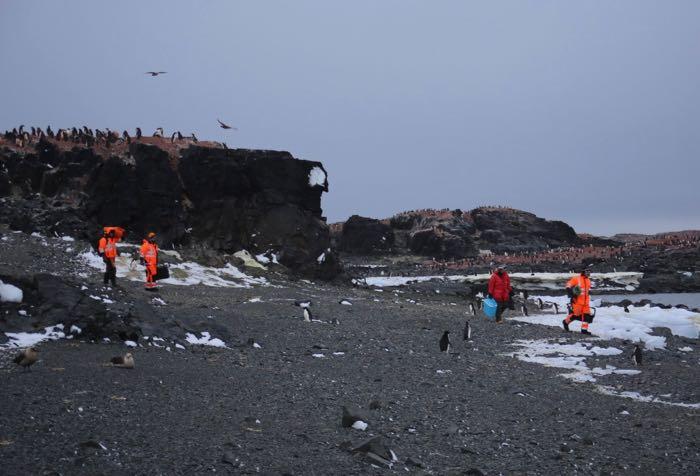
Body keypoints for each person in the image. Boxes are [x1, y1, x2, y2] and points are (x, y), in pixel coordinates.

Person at [562, 267, 593, 334]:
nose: (588, 273)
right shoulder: (577, 278)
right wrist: (569, 291)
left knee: (587, 316)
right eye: (587, 271)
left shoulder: (588, 280)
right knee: (575, 315)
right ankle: (565, 322)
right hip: (577, 302)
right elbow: (568, 284)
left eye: (589, 272)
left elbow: (586, 291)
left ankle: (584, 330)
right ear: (583, 272)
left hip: (586, 302)